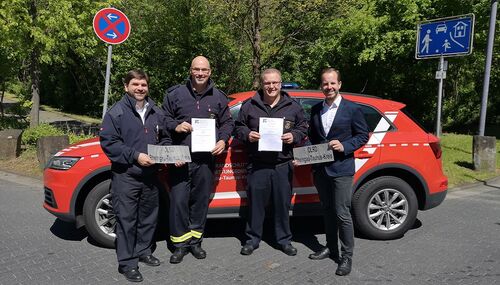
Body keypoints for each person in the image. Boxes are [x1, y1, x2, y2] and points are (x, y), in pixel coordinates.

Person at [162, 56, 234, 264]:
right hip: (180, 158)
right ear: (190, 70)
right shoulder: (175, 94)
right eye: (196, 69)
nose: (200, 73)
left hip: (205, 159)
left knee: (200, 202)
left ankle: (195, 242)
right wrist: (176, 125)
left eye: (204, 70)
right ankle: (179, 245)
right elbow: (163, 119)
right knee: (178, 202)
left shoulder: (219, 97)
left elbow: (227, 123)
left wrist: (223, 140)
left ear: (210, 72)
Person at [100, 69, 168, 282]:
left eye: (143, 85)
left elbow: (164, 137)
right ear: (126, 87)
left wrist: (165, 153)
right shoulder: (116, 112)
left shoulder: (155, 110)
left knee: (148, 217)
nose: (140, 88)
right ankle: (127, 263)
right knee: (127, 220)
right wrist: (135, 155)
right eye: (135, 84)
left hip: (151, 175)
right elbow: (109, 144)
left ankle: (144, 251)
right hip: (126, 176)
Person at [235, 68, 307, 256]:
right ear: (262, 84)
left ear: (280, 83)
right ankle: (252, 240)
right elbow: (238, 127)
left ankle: (284, 240)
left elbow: (303, 128)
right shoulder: (250, 105)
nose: (271, 86)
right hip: (258, 164)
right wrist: (247, 134)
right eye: (267, 83)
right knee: (255, 205)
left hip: (282, 165)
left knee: (282, 205)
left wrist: (294, 135)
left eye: (275, 82)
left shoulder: (293, 106)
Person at [307, 68, 369, 276]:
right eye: (325, 84)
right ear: (321, 86)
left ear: (339, 84)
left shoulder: (352, 109)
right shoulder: (316, 109)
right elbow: (312, 138)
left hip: (342, 168)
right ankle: (330, 247)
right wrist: (304, 154)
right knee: (327, 210)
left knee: (342, 213)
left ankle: (346, 256)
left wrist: (344, 146)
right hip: (321, 168)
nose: (329, 87)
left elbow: (362, 136)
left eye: (332, 83)